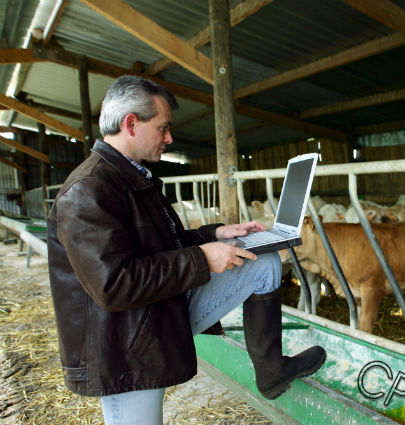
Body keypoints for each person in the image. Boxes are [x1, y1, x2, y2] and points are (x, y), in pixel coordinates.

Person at [47, 75, 326, 425]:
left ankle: (271, 370)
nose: (169, 138)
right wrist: (203, 258)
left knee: (264, 261)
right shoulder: (89, 190)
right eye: (163, 128)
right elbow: (113, 284)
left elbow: (167, 244)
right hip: (124, 341)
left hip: (154, 311)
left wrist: (217, 234)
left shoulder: (132, 177)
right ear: (131, 123)